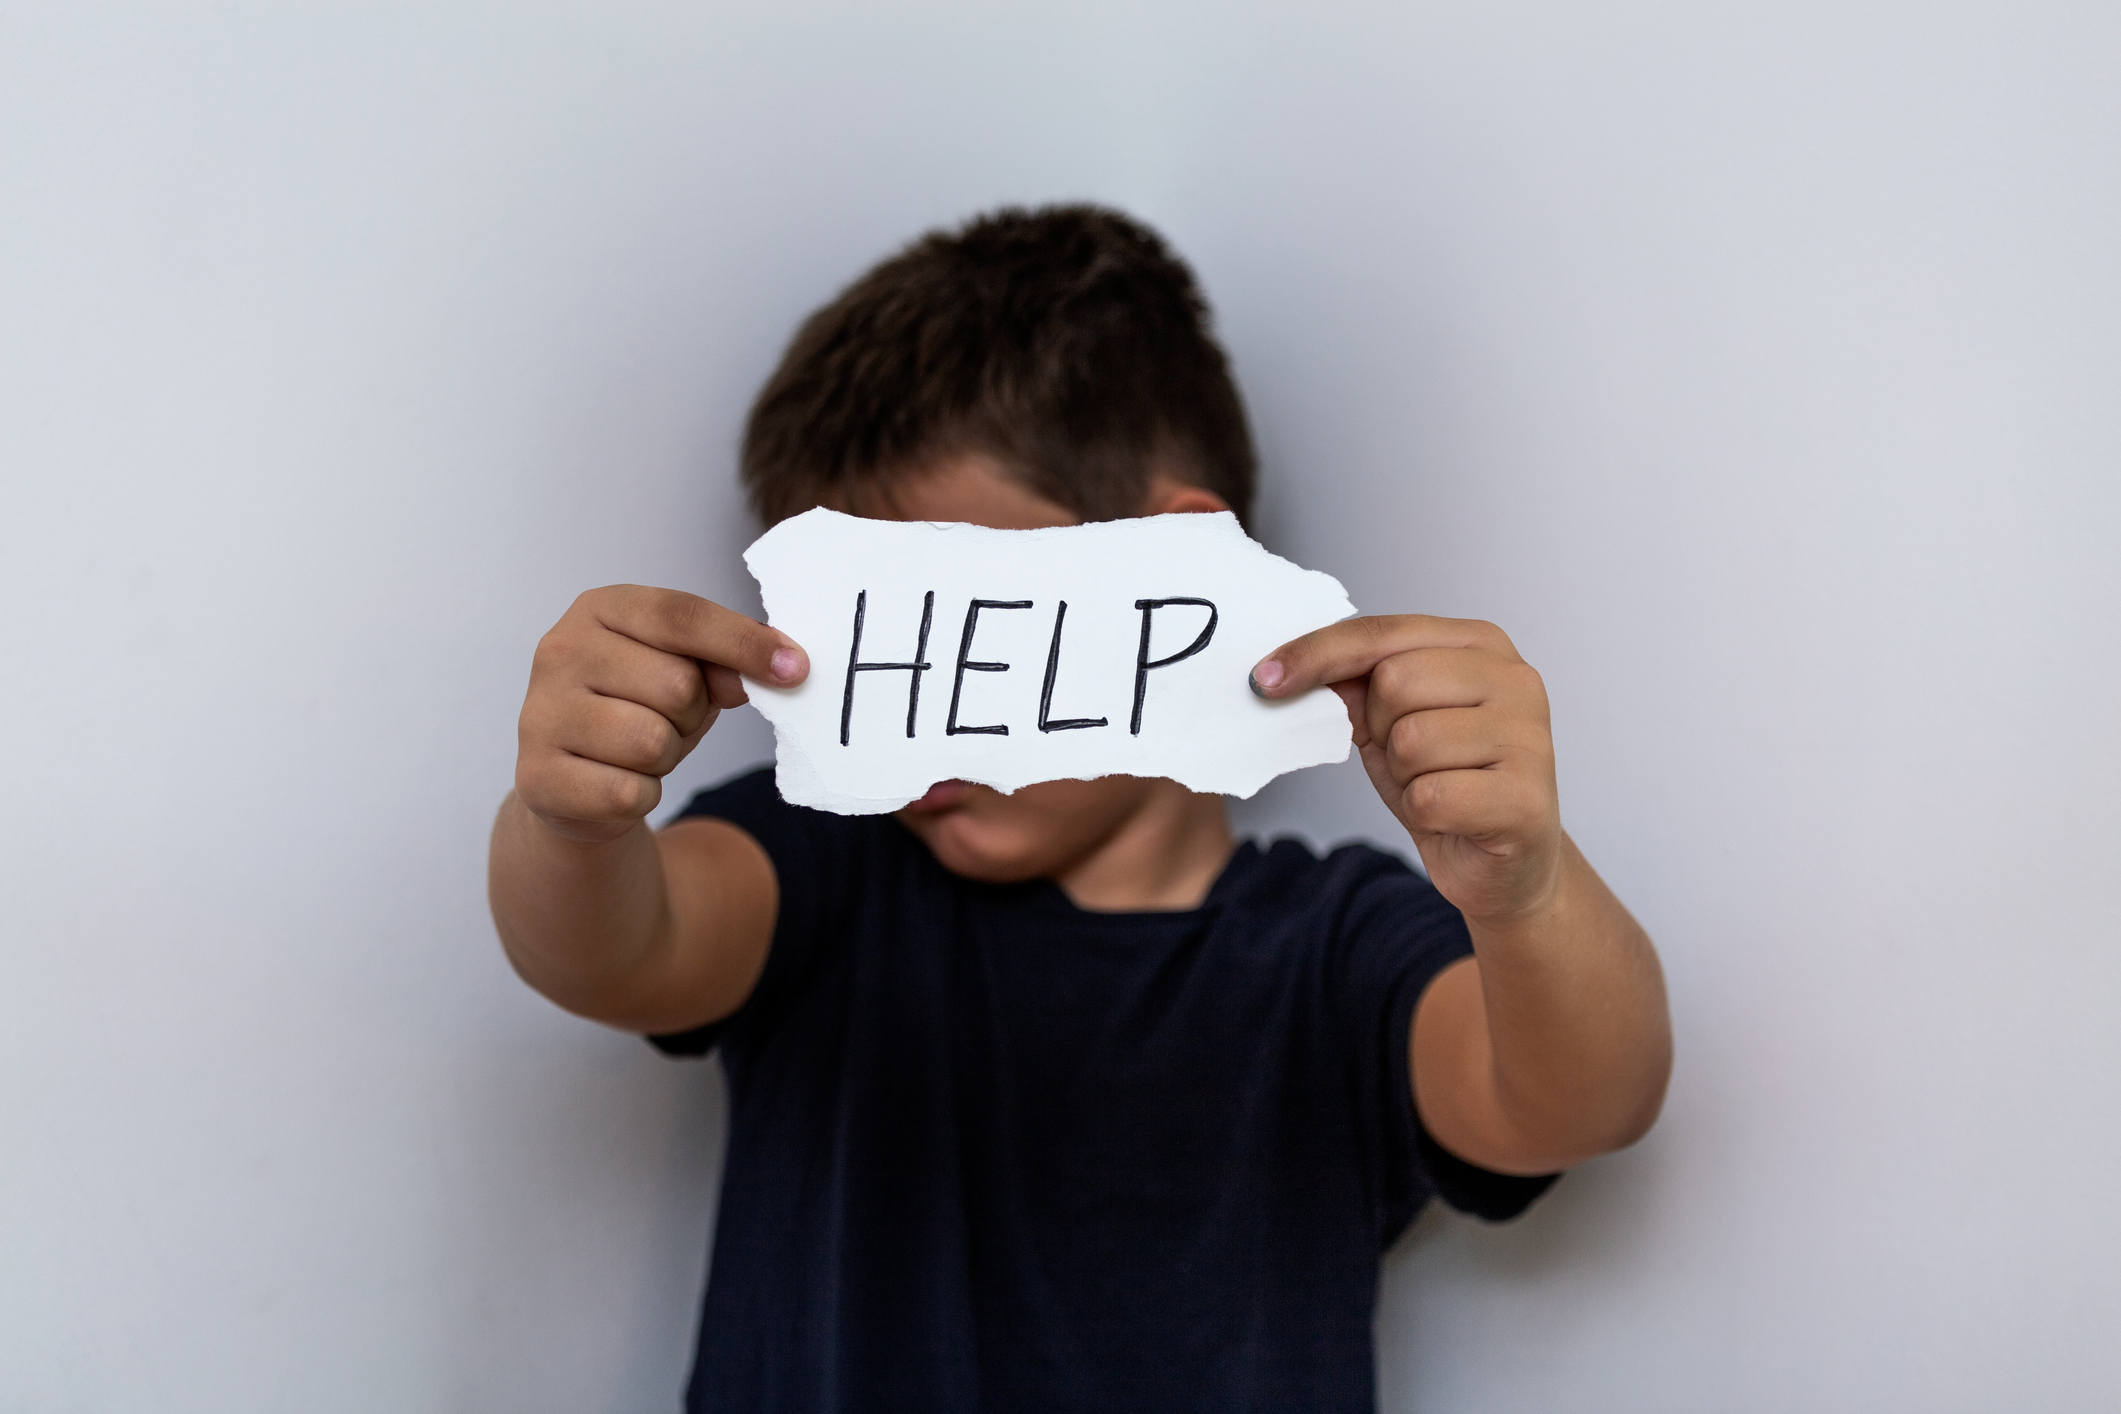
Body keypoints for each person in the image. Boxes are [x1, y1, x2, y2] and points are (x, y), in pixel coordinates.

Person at [487, 205, 1671, 1413]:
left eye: (962, 614)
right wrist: (571, 824)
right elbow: (612, 950)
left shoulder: (1334, 947)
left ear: (1175, 574)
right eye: (870, 638)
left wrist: (1526, 887)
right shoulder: (825, 866)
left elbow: (1581, 1100)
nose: (923, 708)